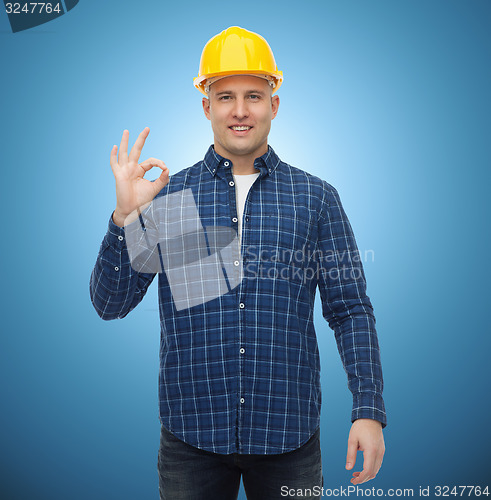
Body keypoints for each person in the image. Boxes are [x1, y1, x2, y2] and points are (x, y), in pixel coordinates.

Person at [90, 26, 386, 500]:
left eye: (254, 95)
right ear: (206, 106)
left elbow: (350, 310)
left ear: (274, 103)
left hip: (289, 438)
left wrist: (368, 410)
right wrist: (125, 217)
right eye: (225, 96)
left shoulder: (315, 198)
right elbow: (110, 303)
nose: (241, 110)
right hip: (191, 440)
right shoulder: (172, 197)